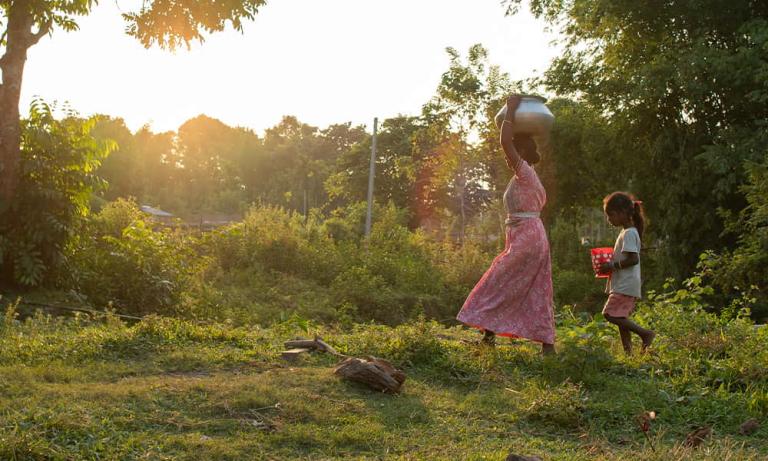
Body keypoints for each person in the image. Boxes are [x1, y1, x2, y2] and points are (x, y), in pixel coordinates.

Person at [456, 95, 556, 355]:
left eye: (514, 152)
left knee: (497, 280)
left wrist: (511, 109)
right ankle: (547, 347)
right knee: (534, 288)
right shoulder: (527, 176)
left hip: (528, 237)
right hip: (529, 236)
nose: (507, 156)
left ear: (520, 152)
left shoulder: (524, 172)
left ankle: (491, 338)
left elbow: (504, 141)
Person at [599, 192, 655, 354]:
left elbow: (633, 259)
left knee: (609, 314)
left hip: (625, 284)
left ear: (623, 213)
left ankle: (646, 334)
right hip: (625, 283)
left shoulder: (630, 233)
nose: (609, 220)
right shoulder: (627, 232)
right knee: (620, 317)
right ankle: (628, 353)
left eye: (611, 215)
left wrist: (612, 265)